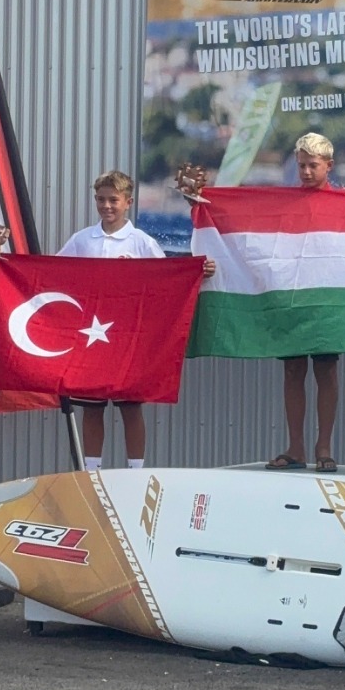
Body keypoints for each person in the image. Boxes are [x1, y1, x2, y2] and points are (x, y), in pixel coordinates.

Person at [58, 170, 213, 469]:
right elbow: (54, 272)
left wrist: (195, 272)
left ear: (128, 201)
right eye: (101, 200)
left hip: (128, 340)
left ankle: (136, 470)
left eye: (113, 200)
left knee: (131, 407)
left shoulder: (141, 242)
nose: (107, 206)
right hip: (93, 339)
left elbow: (165, 279)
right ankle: (92, 471)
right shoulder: (81, 241)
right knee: (92, 408)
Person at [266, 133, 342, 474]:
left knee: (325, 369)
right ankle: (295, 446)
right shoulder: (285, 203)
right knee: (293, 369)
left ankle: (323, 445)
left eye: (313, 165)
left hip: (327, 296)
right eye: (301, 166)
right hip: (293, 295)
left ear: (329, 165)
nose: (307, 172)